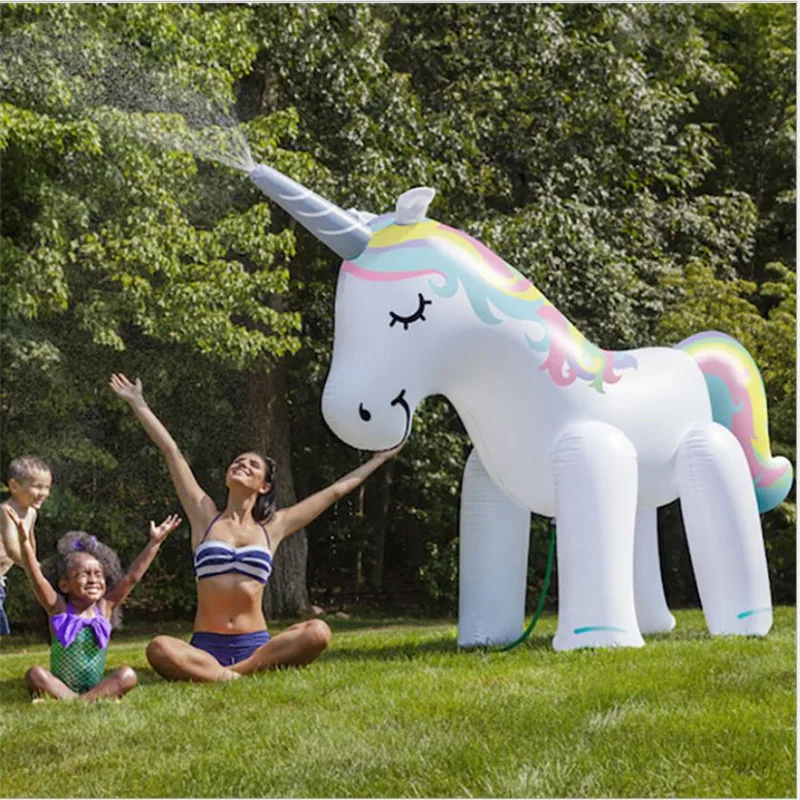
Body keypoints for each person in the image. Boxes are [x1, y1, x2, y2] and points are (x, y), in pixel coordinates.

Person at [109, 372, 401, 682]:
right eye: (238, 462)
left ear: (264, 486)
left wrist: (379, 460)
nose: (242, 465)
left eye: (252, 465)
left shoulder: (273, 527)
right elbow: (173, 453)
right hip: (205, 646)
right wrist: (138, 403)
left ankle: (228, 674)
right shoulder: (204, 516)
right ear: (227, 476)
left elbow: (334, 493)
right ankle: (233, 674)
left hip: (256, 645)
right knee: (159, 647)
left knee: (318, 631)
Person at [3, 508, 181, 701]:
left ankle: (78, 700)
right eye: (84, 574)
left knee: (128, 675)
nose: (94, 580)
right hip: (60, 684)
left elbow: (131, 578)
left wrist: (154, 542)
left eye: (98, 574)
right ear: (64, 585)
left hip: (96, 685)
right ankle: (83, 699)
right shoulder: (58, 608)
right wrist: (24, 542)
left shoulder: (105, 607)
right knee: (35, 674)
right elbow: (36, 578)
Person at [0, 456, 52, 641]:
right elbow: (11, 548)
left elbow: (28, 542)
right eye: (37, 486)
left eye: (47, 487)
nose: (44, 493)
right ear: (14, 486)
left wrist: (35, 564)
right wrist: (33, 567)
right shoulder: (6, 511)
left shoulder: (31, 513)